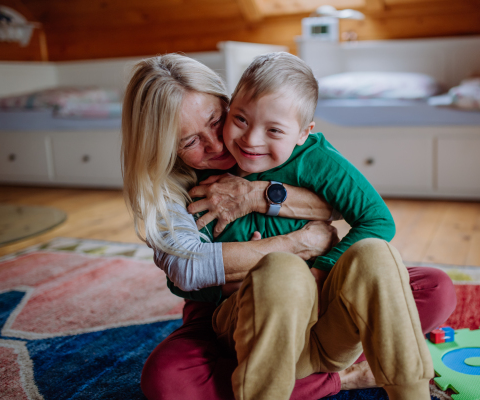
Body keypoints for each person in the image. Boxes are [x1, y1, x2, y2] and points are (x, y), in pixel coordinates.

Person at [121, 54, 457, 400]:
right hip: (233, 318)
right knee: (169, 380)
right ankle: (349, 375)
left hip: (325, 303)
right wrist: (294, 246)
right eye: (190, 142)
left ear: (229, 100)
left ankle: (340, 371)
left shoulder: (294, 152)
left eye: (217, 119)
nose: (220, 144)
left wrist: (257, 195)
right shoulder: (170, 187)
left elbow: (360, 210)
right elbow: (189, 270)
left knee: (429, 286)